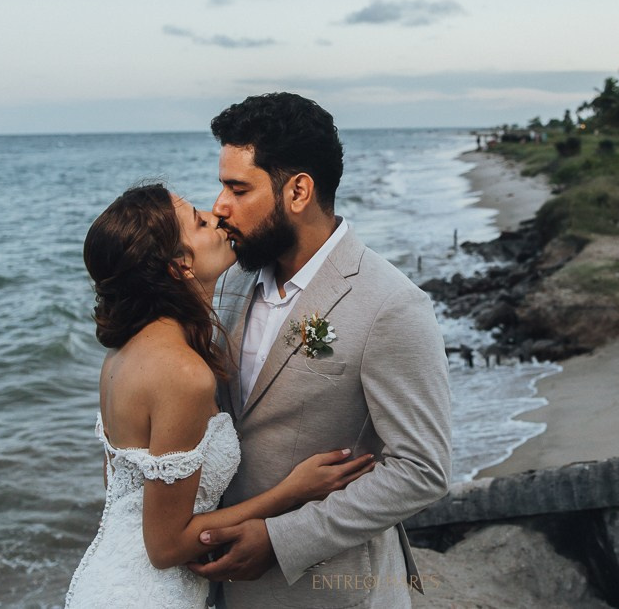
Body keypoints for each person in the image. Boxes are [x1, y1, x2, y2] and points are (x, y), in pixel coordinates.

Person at [187, 93, 452, 608]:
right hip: (221, 587)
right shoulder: (231, 282)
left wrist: (284, 540)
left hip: (329, 589)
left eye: (237, 188)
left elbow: (423, 469)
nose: (219, 206)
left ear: (299, 191)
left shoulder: (391, 305)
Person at [65, 184, 375, 608]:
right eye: (198, 222)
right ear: (180, 266)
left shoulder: (122, 357)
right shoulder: (182, 374)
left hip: (109, 579)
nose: (215, 216)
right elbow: (166, 548)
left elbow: (122, 495)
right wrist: (293, 490)